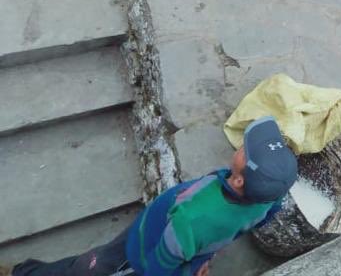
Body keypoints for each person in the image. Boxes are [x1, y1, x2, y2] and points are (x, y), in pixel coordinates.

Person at [9, 117, 297, 276]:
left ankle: (24, 274)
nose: (243, 146)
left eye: (246, 150)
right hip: (184, 247)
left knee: (88, 268)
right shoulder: (269, 199)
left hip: (140, 252)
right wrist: (200, 260)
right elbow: (234, 230)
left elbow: (161, 264)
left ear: (238, 179)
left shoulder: (193, 218)